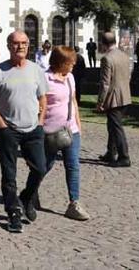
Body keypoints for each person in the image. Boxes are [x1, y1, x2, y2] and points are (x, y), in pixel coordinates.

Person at [0, 30, 48, 233]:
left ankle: (27, 197)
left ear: (28, 46)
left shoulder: (36, 70)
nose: (20, 46)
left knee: (40, 168)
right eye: (15, 43)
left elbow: (43, 98)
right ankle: (13, 212)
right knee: (9, 173)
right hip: (9, 129)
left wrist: (40, 121)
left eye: (23, 43)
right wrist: (1, 125)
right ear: (8, 46)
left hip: (33, 128)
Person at [43, 46, 90, 221]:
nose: (73, 64)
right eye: (70, 62)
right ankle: (31, 192)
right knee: (45, 165)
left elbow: (73, 101)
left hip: (71, 131)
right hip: (50, 131)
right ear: (60, 62)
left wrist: (78, 123)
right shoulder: (45, 79)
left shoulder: (70, 77)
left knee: (73, 165)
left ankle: (74, 203)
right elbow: (39, 105)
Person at [97, 32, 132, 167]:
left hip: (114, 98)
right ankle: (111, 152)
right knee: (112, 125)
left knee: (116, 128)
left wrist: (100, 102)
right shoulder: (124, 56)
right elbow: (128, 76)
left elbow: (105, 83)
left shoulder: (107, 59)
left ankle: (124, 157)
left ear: (103, 44)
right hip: (125, 95)